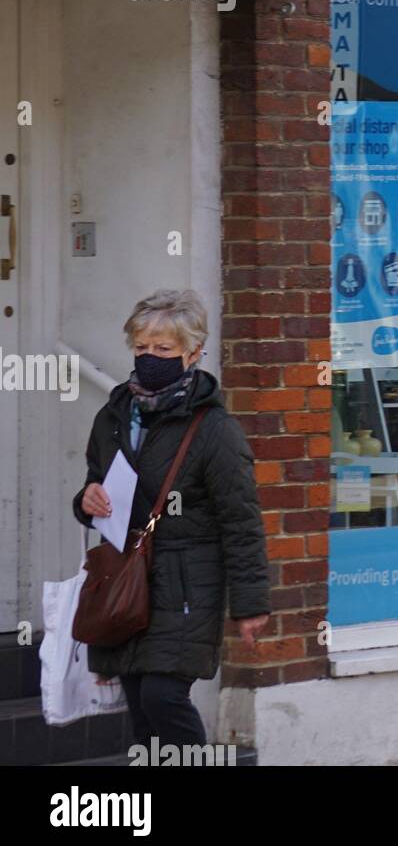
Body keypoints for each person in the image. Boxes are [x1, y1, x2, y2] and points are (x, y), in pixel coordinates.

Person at [73, 289, 270, 748]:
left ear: (193, 353)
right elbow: (94, 485)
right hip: (127, 581)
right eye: (142, 348)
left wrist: (249, 603)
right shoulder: (115, 415)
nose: (150, 358)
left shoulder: (214, 429)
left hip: (186, 585)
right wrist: (87, 499)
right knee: (141, 708)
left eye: (164, 349)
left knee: (164, 696)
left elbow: (241, 521)